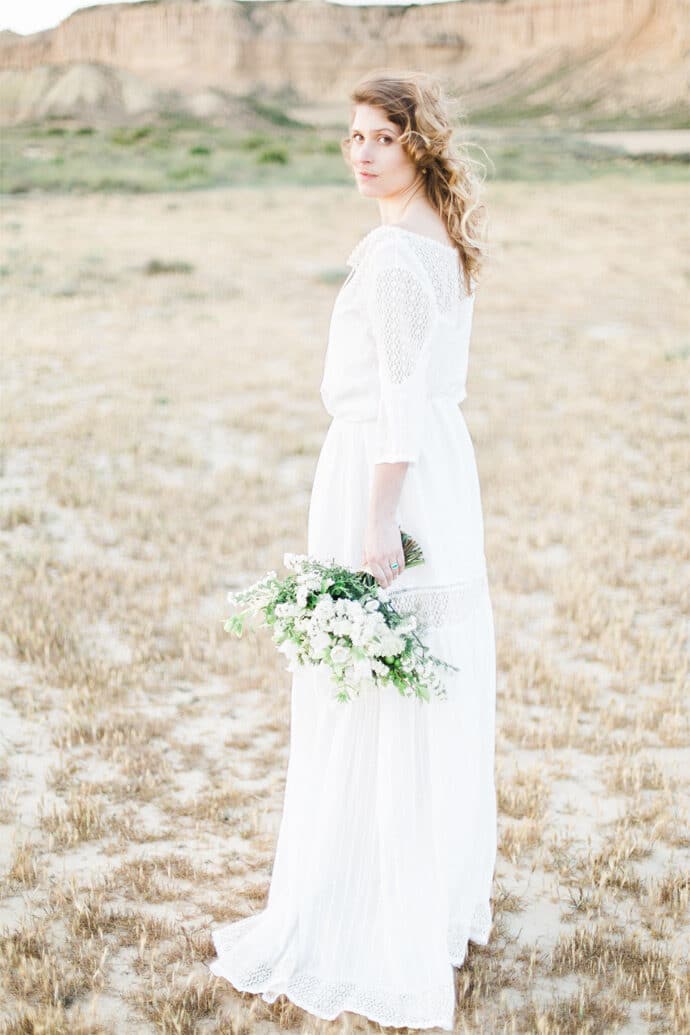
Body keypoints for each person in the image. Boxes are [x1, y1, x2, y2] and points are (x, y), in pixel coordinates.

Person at [208, 70, 497, 1032]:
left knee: (378, 678)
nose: (363, 152)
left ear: (419, 144)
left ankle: (378, 916)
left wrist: (378, 521)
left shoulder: (394, 259)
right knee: (410, 679)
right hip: (431, 472)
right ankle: (415, 894)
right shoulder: (432, 243)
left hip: (391, 473)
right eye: (352, 137)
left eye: (382, 136)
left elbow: (401, 403)